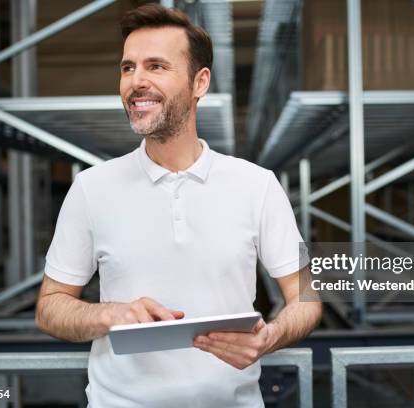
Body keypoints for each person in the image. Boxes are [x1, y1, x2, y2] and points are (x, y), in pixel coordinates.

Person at [34, 4, 322, 407]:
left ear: (199, 82)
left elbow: (306, 294)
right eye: (128, 67)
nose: (137, 81)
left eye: (156, 66)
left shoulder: (256, 185)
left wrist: (270, 337)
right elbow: (50, 307)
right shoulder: (90, 188)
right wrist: (109, 315)